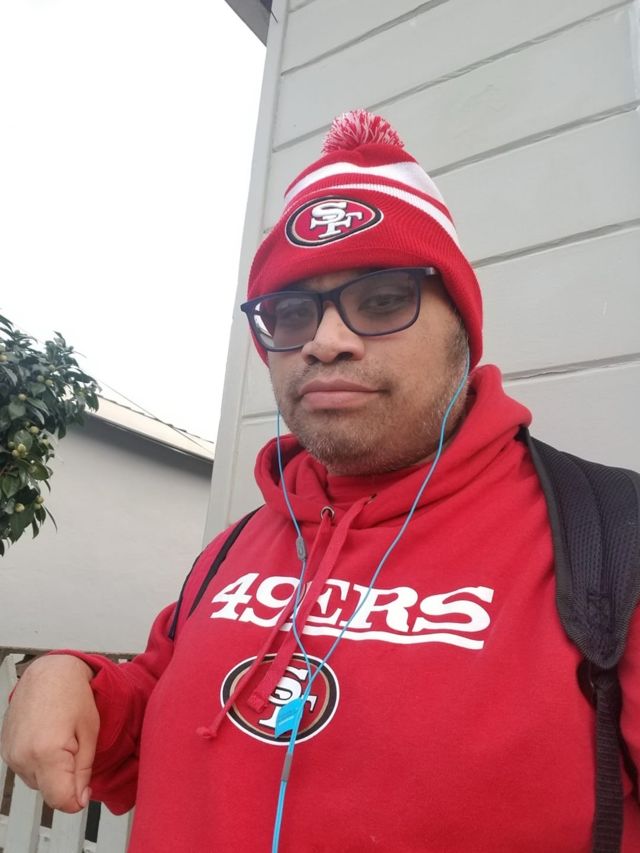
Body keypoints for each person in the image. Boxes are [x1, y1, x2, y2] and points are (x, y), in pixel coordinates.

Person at [2, 110, 639, 852]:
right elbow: (153, 724)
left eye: (382, 300)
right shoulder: (238, 545)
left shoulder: (611, 542)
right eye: (291, 312)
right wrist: (67, 677)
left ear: (463, 330)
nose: (326, 342)